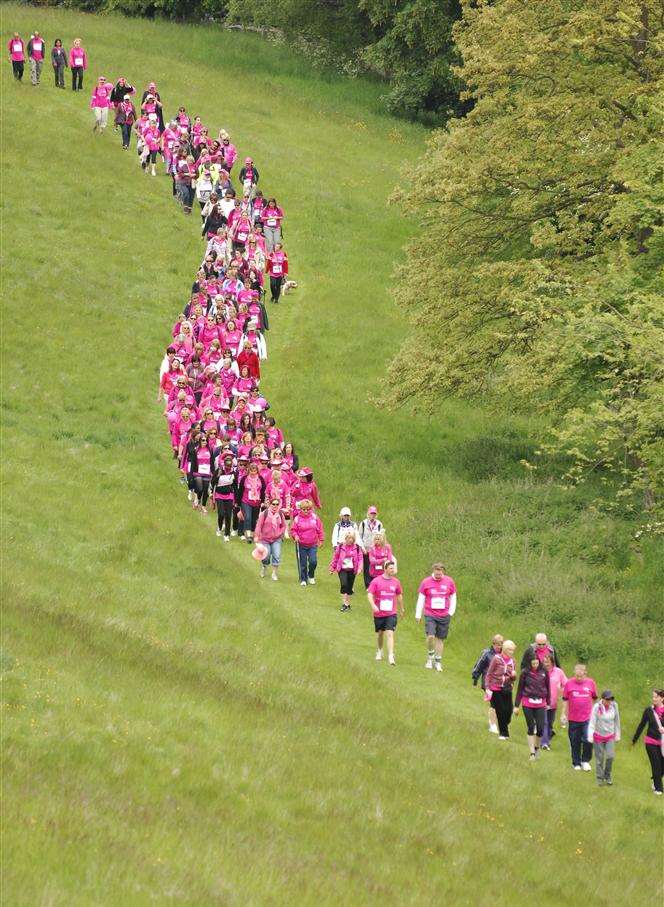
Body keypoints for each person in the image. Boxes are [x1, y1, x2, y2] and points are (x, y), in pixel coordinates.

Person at [414, 563, 457, 672]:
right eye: (436, 572)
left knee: (440, 639)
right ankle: (430, 656)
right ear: (433, 571)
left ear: (443, 572)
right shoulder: (426, 582)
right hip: (430, 614)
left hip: (444, 614)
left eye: (440, 572)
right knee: (431, 637)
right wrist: (418, 614)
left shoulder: (449, 582)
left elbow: (453, 597)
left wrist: (450, 612)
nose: (438, 574)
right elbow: (421, 599)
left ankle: (438, 662)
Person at [560, 663, 598, 771]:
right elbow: (565, 699)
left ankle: (585, 761)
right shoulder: (569, 684)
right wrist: (563, 713)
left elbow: (595, 698)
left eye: (581, 676)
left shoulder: (590, 683)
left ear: (585, 674)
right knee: (575, 741)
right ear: (574, 674)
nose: (579, 678)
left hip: (587, 718)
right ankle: (576, 762)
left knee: (588, 739)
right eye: (577, 676)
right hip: (573, 718)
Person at [514, 655, 550, 760]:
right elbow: (520, 689)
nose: (535, 665)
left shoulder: (544, 672)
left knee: (540, 728)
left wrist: (548, 702)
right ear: (529, 663)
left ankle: (536, 747)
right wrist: (516, 705)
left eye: (537, 663)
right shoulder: (525, 672)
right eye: (533, 664)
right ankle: (532, 753)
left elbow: (548, 688)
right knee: (531, 726)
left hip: (541, 702)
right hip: (527, 702)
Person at [367, 561, 403, 665]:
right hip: (379, 613)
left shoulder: (396, 582)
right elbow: (369, 594)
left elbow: (399, 595)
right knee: (380, 634)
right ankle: (379, 650)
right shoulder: (376, 581)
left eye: (393, 568)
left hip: (391, 613)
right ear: (385, 569)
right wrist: (373, 605)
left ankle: (391, 655)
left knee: (390, 633)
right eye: (391, 568)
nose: (393, 570)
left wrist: (402, 609)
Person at [632, 688, 664, 795]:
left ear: (662, 698)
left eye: (656, 697)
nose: (654, 699)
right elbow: (642, 725)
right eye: (653, 696)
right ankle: (658, 789)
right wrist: (634, 739)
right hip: (650, 742)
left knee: (662, 766)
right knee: (656, 765)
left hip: (662, 744)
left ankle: (654, 779)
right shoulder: (649, 710)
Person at [471, 635, 504, 733]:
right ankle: (493, 725)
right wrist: (475, 677)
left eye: (501, 644)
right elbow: (479, 665)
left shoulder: (504, 655)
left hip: (499, 683)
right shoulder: (486, 653)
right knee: (494, 702)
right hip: (488, 683)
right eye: (497, 645)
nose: (499, 647)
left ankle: (493, 722)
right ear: (493, 644)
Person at [485, 640, 517, 739]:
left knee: (509, 710)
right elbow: (489, 673)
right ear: (505, 649)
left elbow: (513, 677)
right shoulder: (496, 658)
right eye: (510, 650)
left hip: (507, 688)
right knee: (501, 710)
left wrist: (513, 677)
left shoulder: (513, 661)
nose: (512, 652)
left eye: (513, 650)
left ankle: (504, 724)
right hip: (496, 688)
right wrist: (487, 687)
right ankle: (503, 734)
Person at [588, 691, 621, 786]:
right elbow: (592, 722)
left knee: (610, 756)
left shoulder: (614, 706)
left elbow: (617, 720)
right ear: (602, 699)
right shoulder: (596, 707)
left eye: (611, 699)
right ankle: (599, 778)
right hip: (598, 736)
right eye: (607, 699)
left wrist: (617, 734)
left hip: (610, 736)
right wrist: (590, 735)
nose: (609, 701)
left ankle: (607, 775)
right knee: (599, 759)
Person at [291, 499, 324, 587]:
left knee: (313, 561)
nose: (306, 511)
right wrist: (295, 536)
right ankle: (303, 579)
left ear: (311, 509)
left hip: (313, 544)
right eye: (304, 509)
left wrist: (321, 540)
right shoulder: (297, 519)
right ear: (300, 509)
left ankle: (311, 575)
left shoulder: (315, 517)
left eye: (308, 509)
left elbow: (320, 529)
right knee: (303, 563)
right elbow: (293, 530)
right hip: (301, 544)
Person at [329, 529, 363, 612]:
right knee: (344, 584)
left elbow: (360, 559)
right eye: (348, 538)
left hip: (352, 570)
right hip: (342, 569)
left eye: (351, 538)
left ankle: (347, 603)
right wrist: (332, 568)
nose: (350, 540)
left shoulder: (357, 548)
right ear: (346, 538)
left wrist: (359, 568)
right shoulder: (340, 547)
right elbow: (336, 558)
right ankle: (345, 604)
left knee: (349, 587)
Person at [254, 498, 287, 580]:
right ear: (270, 504)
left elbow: (284, 525)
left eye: (277, 504)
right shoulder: (264, 514)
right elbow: (259, 525)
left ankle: (274, 573)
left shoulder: (280, 514)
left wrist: (281, 532)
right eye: (273, 504)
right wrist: (256, 536)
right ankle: (264, 566)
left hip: (276, 539)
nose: (275, 506)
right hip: (265, 539)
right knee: (266, 556)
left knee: (276, 555)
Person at [540, 655, 567, 750]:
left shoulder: (558, 672)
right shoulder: (540, 671)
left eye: (548, 661)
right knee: (545, 723)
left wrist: (561, 690)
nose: (546, 663)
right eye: (544, 661)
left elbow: (566, 685)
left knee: (550, 723)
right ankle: (544, 743)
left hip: (554, 703)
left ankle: (547, 739)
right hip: (542, 702)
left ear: (552, 662)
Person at [237, 461, 265, 543]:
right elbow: (240, 491)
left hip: (257, 502)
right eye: (251, 470)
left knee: (254, 519)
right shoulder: (244, 479)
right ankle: (248, 535)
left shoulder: (260, 479)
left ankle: (252, 534)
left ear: (257, 471)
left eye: (254, 470)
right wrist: (238, 503)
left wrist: (262, 501)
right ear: (248, 470)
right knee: (248, 517)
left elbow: (263, 490)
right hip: (246, 501)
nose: (253, 472)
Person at [212, 454, 238, 541]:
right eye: (227, 466)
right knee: (221, 514)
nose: (228, 467)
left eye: (230, 466)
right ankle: (219, 527)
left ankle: (227, 534)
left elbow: (235, 486)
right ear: (224, 464)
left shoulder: (234, 473)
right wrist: (218, 476)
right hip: (219, 495)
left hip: (229, 496)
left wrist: (236, 500)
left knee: (228, 515)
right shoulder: (219, 470)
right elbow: (213, 482)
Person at [357, 506, 383, 588]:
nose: (373, 515)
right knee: (367, 567)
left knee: (375, 566)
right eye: (371, 513)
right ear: (368, 514)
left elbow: (381, 537)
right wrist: (362, 548)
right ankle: (368, 585)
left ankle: (375, 584)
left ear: (376, 515)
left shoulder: (379, 524)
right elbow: (359, 537)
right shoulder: (363, 524)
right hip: (366, 549)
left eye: (374, 514)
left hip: (375, 550)